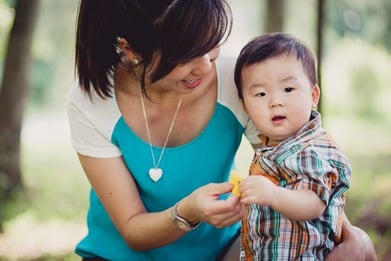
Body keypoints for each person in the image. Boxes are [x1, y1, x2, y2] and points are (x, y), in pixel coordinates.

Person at [68, 1, 376, 260]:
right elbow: (133, 230)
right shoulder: (92, 101)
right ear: (129, 48)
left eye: (210, 45)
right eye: (185, 55)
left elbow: (299, 163)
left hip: (228, 251)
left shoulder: (237, 78)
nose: (204, 67)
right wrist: (190, 210)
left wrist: (352, 237)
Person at [233, 32, 367, 260]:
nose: (275, 101)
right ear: (245, 107)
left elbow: (313, 203)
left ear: (313, 95)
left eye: (288, 89)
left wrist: (272, 194)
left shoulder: (310, 150)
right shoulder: (274, 149)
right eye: (261, 93)